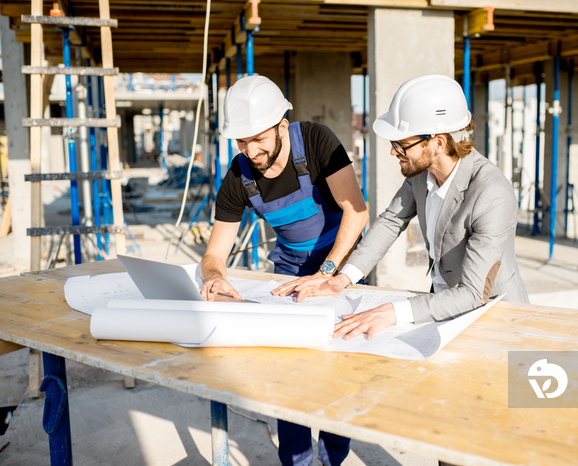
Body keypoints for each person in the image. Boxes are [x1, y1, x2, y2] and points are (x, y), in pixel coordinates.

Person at [276, 74, 529, 341]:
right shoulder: (422, 173)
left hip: (495, 318)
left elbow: (473, 293)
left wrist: (391, 312)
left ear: (438, 142)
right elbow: (390, 222)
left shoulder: (492, 195)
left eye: (401, 144)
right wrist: (342, 278)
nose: (393, 152)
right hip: (443, 307)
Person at [199, 75, 368, 466]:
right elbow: (213, 254)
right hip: (287, 273)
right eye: (241, 141)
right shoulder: (239, 174)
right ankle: (296, 460)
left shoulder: (317, 141)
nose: (250, 150)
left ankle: (333, 457)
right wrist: (213, 277)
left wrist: (326, 273)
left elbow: (357, 212)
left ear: (280, 125)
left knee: (338, 371)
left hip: (338, 266)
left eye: (257, 139)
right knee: (287, 375)